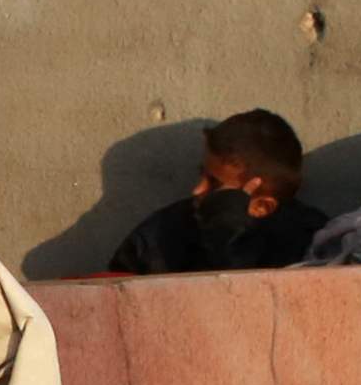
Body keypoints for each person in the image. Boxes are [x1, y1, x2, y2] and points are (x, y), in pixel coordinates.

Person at [108, 110, 321, 274]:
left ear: (260, 206)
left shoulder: (313, 244)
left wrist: (228, 229)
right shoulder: (160, 234)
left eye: (214, 183)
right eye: (202, 174)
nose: (197, 190)